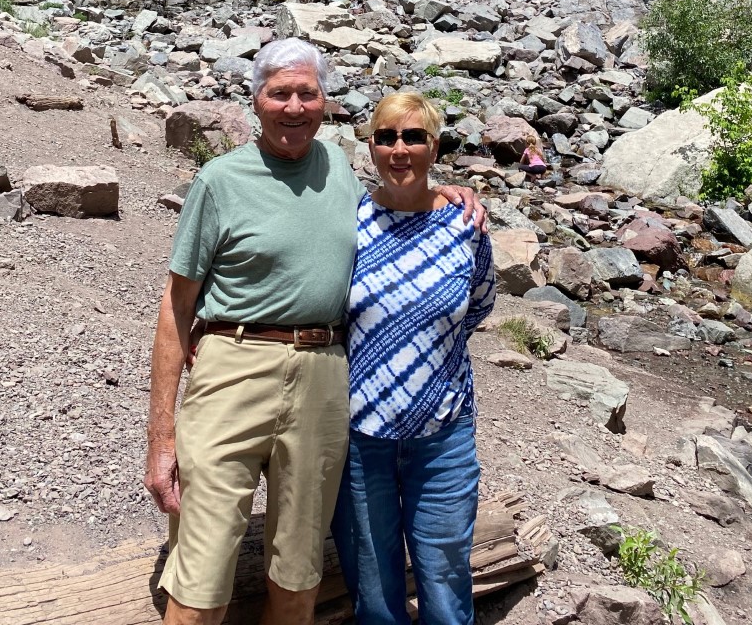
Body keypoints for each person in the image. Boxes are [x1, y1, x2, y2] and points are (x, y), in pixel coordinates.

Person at [144, 39, 483, 625]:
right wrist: (161, 441)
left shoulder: (342, 176)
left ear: (326, 102)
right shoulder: (220, 179)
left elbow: (405, 198)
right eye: (280, 94)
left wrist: (452, 192)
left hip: (326, 377)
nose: (294, 107)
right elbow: (175, 310)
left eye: (308, 93)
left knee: (299, 571)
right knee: (202, 572)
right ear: (256, 100)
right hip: (233, 364)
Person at [331, 92, 495, 625]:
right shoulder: (346, 222)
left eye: (413, 137)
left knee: (446, 581)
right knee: (375, 589)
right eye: (386, 137)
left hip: (442, 435)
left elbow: (478, 308)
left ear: (435, 146)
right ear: (370, 145)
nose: (399, 150)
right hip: (360, 437)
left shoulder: (464, 225)